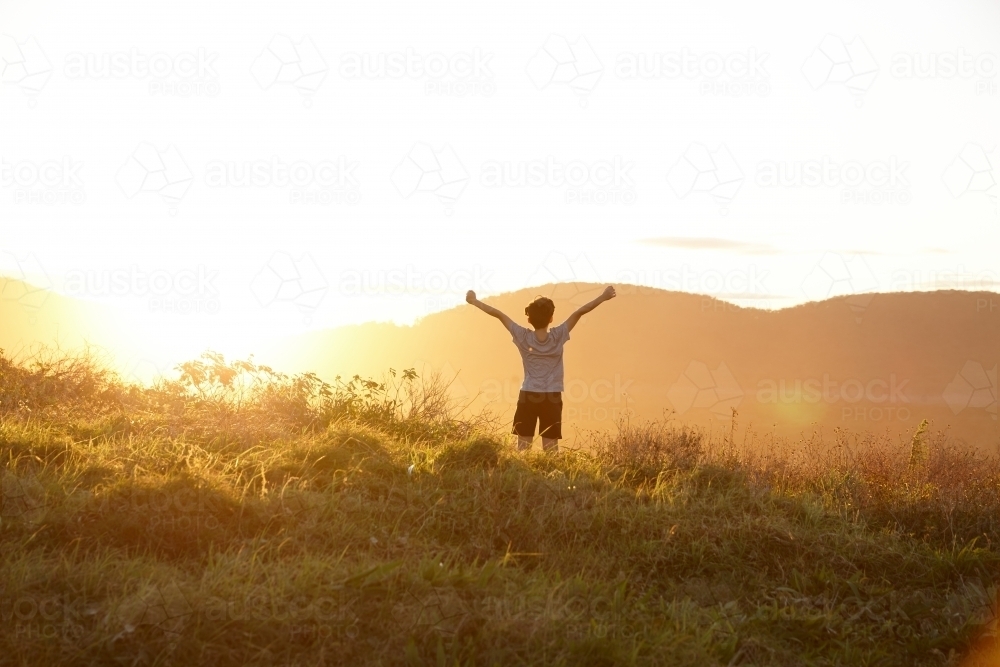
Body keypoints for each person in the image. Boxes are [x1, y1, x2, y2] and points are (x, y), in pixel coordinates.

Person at [466, 286, 616, 452]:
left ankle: (522, 477)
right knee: (551, 450)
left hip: (528, 395)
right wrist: (603, 297)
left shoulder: (522, 336)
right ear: (551, 318)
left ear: (529, 320)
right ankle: (550, 477)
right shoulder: (558, 335)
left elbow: (499, 314)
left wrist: (474, 301)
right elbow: (580, 312)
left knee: (523, 450)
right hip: (552, 397)